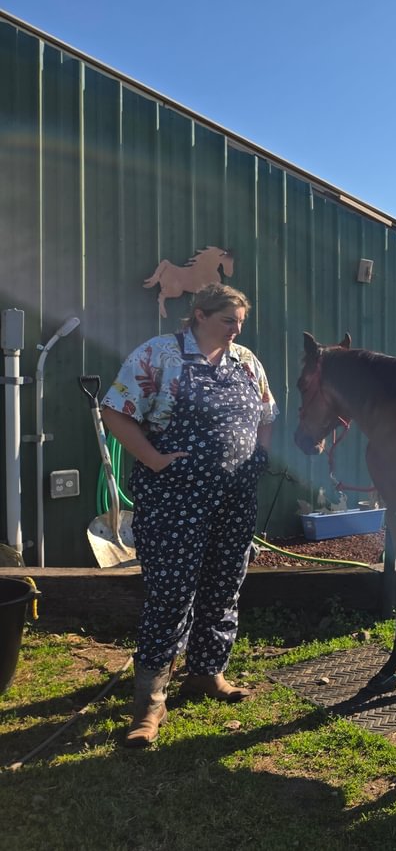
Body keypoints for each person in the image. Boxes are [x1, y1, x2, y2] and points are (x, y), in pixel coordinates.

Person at [101, 283, 276, 748]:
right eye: (227, 320)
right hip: (174, 498)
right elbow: (115, 411)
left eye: (241, 322)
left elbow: (266, 413)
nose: (237, 330)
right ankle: (150, 704)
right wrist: (154, 459)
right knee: (172, 593)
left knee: (224, 585)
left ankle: (207, 672)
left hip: (235, 499)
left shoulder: (246, 362)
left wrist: (259, 455)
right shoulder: (157, 355)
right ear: (199, 315)